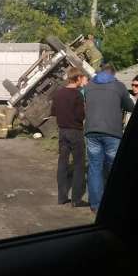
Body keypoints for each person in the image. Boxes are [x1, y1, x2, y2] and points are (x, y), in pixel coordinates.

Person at [84, 63, 135, 214]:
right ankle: (116, 203)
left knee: (95, 169)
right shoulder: (118, 86)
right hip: (112, 133)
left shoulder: (89, 86)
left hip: (92, 132)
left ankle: (96, 205)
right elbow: (131, 107)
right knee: (115, 168)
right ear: (113, 74)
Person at [50, 67, 88, 207]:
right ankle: (76, 199)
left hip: (62, 131)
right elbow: (81, 116)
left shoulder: (58, 93)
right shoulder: (77, 95)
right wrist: (84, 108)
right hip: (75, 131)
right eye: (81, 78)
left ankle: (62, 197)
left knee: (62, 163)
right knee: (78, 165)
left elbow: (53, 111)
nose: (82, 81)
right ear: (77, 78)